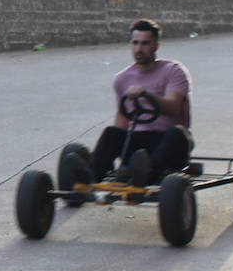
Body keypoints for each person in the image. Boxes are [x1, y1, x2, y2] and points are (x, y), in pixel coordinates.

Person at [79, 18, 193, 186]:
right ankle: (88, 179)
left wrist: (147, 94)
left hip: (168, 143)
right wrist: (109, 152)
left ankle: (145, 175)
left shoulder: (173, 71)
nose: (139, 49)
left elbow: (174, 108)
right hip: (137, 144)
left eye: (145, 43)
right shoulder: (122, 79)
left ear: (156, 46)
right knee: (111, 132)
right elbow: (123, 120)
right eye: (135, 43)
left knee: (177, 133)